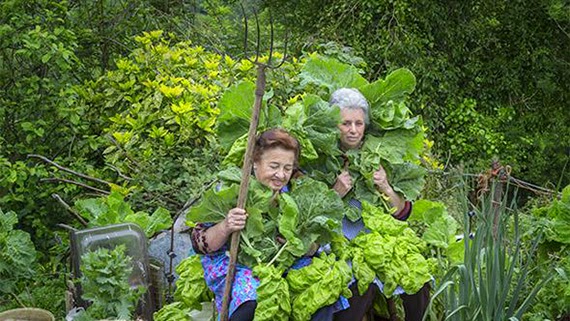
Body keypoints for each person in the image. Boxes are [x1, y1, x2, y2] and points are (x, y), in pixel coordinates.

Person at [190, 128, 347, 321]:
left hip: (289, 263)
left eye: (287, 168)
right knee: (251, 304)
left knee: (322, 295)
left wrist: (304, 246)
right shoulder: (233, 189)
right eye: (274, 166)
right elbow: (200, 243)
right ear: (255, 163)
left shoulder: (298, 191)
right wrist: (226, 226)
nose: (280, 175)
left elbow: (318, 242)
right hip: (244, 266)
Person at [327, 88, 429, 321]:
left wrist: (385, 186)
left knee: (418, 278)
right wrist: (336, 191)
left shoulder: (381, 155)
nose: (353, 130)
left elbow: (401, 213)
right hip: (338, 241)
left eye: (359, 124)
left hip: (377, 237)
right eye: (346, 123)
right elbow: (313, 213)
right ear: (335, 125)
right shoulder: (321, 158)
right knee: (359, 287)